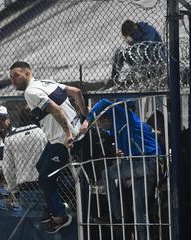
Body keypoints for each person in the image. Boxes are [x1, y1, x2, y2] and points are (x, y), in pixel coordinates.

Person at [9, 61, 88, 233]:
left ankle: (61, 216)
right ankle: (54, 205)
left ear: (27, 73)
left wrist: (68, 135)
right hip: (60, 139)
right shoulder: (47, 82)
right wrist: (83, 117)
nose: (13, 80)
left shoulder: (31, 92)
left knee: (45, 177)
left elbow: (56, 110)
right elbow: (77, 92)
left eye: (15, 75)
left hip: (65, 141)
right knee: (40, 167)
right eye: (11, 77)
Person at [80, 98, 162, 240]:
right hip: (147, 163)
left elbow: (104, 102)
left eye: (98, 123)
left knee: (107, 174)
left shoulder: (125, 117)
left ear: (106, 119)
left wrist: (87, 120)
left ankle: (116, 217)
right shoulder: (118, 129)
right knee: (139, 208)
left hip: (147, 161)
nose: (98, 127)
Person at [3, 123, 47, 211]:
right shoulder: (43, 131)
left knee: (30, 220)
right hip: (45, 182)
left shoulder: (10, 137)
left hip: (25, 186)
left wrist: (13, 189)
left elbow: (7, 168)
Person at [107, 20, 162, 88]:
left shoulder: (147, 29)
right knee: (120, 52)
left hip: (155, 60)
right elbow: (135, 48)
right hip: (141, 60)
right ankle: (113, 79)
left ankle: (133, 76)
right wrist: (130, 42)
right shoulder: (134, 34)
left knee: (139, 50)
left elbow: (147, 46)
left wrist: (132, 42)